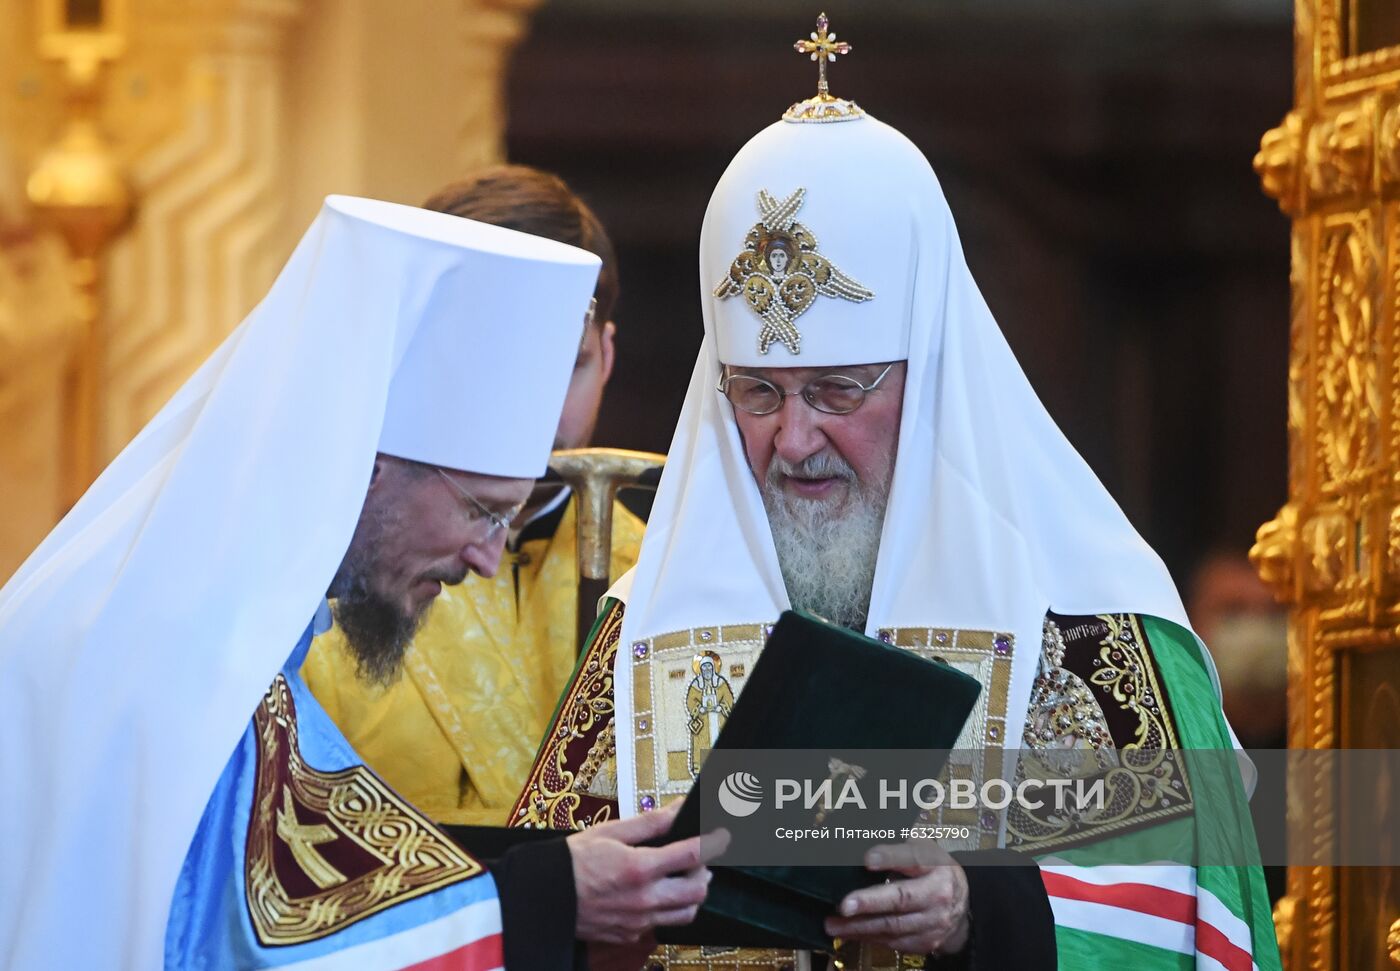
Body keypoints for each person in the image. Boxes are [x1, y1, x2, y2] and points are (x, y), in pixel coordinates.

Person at [511, 24, 1281, 970]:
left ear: (932, 377)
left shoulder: (1094, 632)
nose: (793, 441)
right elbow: (535, 922)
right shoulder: (639, 643)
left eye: (838, 391)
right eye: (758, 393)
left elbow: (1192, 919)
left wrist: (976, 910)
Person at [0, 196, 720, 970]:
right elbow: (258, 937)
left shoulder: (240, 616)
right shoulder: (173, 650)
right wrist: (544, 897)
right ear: (366, 468)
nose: (486, 557)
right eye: (481, 511)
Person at [301, 165, 646, 827]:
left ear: (605, 353)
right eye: (507, 369)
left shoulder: (665, 572)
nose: (536, 411)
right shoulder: (338, 568)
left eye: (566, 366)